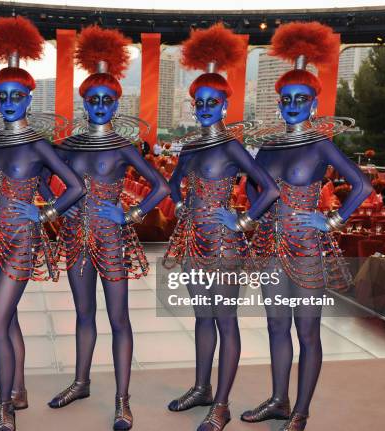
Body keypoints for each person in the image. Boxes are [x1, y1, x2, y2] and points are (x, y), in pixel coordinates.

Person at [241, 22, 372, 431]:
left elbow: (363, 184)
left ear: (313, 104)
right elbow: (253, 188)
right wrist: (252, 217)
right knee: (276, 325)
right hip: (270, 248)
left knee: (307, 330)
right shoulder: (267, 146)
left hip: (306, 248)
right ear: (279, 104)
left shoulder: (320, 144)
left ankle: (301, 410)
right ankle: (280, 399)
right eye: (286, 98)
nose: (293, 104)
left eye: (301, 98)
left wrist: (330, 219)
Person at [43, 25, 170, 431]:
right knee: (83, 314)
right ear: (85, 103)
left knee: (119, 319)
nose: (99, 105)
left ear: (116, 104)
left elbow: (161, 185)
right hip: (76, 240)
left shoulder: (124, 147)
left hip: (113, 240)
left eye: (107, 99)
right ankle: (81, 382)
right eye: (93, 99)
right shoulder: (69, 146)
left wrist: (131, 215)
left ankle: (121, 399)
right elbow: (41, 173)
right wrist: (55, 205)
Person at [0, 16, 84, 431]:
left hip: (19, 241)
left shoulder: (37, 143)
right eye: (3, 94)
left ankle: (4, 407)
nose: (9, 100)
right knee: (8, 318)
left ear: (29, 99)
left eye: (17, 94)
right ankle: (16, 390)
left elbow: (75, 186)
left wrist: (43, 211)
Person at [163, 24, 279, 431]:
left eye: (213, 102)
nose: (206, 108)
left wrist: (243, 220)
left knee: (225, 318)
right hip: (194, 242)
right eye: (200, 102)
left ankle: (222, 405)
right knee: (201, 316)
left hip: (225, 245)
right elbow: (173, 181)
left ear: (224, 106)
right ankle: (201, 387)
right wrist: (179, 204)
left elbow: (269, 189)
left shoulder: (231, 146)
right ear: (194, 105)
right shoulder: (191, 147)